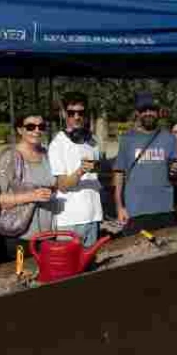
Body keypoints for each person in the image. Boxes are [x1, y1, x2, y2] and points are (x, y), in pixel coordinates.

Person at [113, 92, 177, 235]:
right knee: (138, 254)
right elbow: (119, 174)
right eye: (144, 110)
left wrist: (175, 169)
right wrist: (119, 207)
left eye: (152, 110)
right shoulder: (127, 139)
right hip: (136, 210)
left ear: (158, 112)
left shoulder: (169, 138)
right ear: (138, 113)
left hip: (164, 209)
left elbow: (175, 171)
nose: (148, 113)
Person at [0, 113, 57, 260]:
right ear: (20, 130)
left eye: (41, 127)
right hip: (21, 235)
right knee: (20, 275)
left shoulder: (47, 155)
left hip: (48, 234)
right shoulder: (10, 157)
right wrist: (32, 196)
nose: (36, 130)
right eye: (30, 127)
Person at [48, 92, 104, 247]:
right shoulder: (57, 144)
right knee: (70, 270)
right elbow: (62, 185)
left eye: (81, 112)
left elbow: (98, 173)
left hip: (94, 215)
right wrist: (81, 170)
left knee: (92, 268)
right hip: (70, 220)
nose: (77, 117)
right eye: (72, 113)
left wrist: (98, 168)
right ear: (64, 114)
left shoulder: (92, 141)